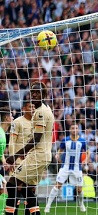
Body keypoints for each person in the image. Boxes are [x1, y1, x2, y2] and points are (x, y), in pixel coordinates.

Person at [5, 82, 55, 215]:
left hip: (37, 155)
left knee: (12, 184)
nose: (34, 94)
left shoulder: (40, 113)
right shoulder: (43, 109)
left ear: (43, 94)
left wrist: (14, 156)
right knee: (28, 188)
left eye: (38, 92)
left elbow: (35, 140)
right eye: (33, 92)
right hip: (38, 155)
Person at [44, 124, 89, 213]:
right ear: (69, 130)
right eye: (72, 128)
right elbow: (60, 150)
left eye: (76, 128)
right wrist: (58, 154)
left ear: (78, 130)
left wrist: (86, 160)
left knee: (79, 189)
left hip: (77, 168)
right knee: (57, 186)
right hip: (65, 167)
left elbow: (88, 152)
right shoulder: (65, 140)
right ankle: (48, 205)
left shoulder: (82, 141)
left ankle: (81, 204)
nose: (74, 129)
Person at [9, 101, 35, 215]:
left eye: (34, 107)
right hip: (19, 161)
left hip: (32, 162)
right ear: (24, 108)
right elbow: (12, 141)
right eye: (30, 107)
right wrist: (12, 159)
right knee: (16, 191)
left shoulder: (37, 123)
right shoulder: (17, 122)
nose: (33, 109)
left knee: (31, 191)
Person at [0, 107, 13, 214]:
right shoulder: (1, 135)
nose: (13, 118)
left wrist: (4, 162)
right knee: (4, 188)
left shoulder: (3, 133)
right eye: (11, 116)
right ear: (6, 118)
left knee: (4, 187)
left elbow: (0, 154)